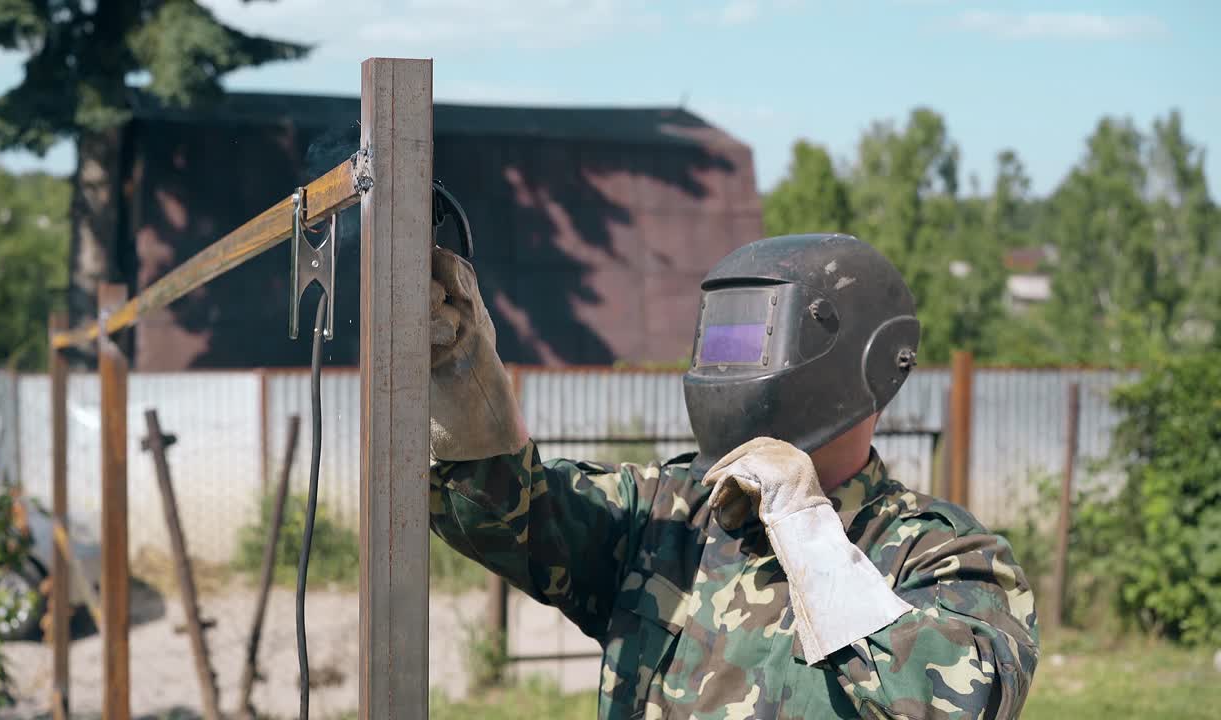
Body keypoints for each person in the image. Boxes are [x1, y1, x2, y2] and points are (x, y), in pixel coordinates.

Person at [428, 233, 1039, 719]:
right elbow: (503, 513)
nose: (729, 367)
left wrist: (808, 534)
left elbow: (959, 702)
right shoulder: (670, 514)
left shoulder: (943, 555)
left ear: (868, 359)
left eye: (757, 338)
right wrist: (457, 374)